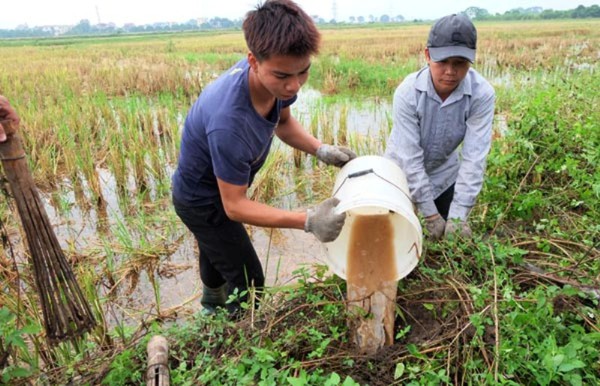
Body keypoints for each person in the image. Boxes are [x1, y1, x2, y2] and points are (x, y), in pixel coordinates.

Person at [171, 0, 356, 315]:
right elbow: (234, 206)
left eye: (303, 71)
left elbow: (282, 123)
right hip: (202, 199)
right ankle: (232, 334)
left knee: (217, 254)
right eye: (283, 75)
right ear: (252, 61)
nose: (294, 85)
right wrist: (308, 221)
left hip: (221, 188)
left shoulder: (278, 81)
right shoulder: (229, 121)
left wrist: (320, 149)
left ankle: (211, 308)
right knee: (248, 279)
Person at [385, 14, 495, 241]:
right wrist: (430, 216)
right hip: (401, 174)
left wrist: (458, 217)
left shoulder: (481, 94)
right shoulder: (408, 94)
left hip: (444, 174)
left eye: (459, 63)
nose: (450, 71)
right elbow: (411, 160)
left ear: (471, 60)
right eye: (442, 62)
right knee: (396, 238)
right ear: (427, 55)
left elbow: (474, 158)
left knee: (449, 241)